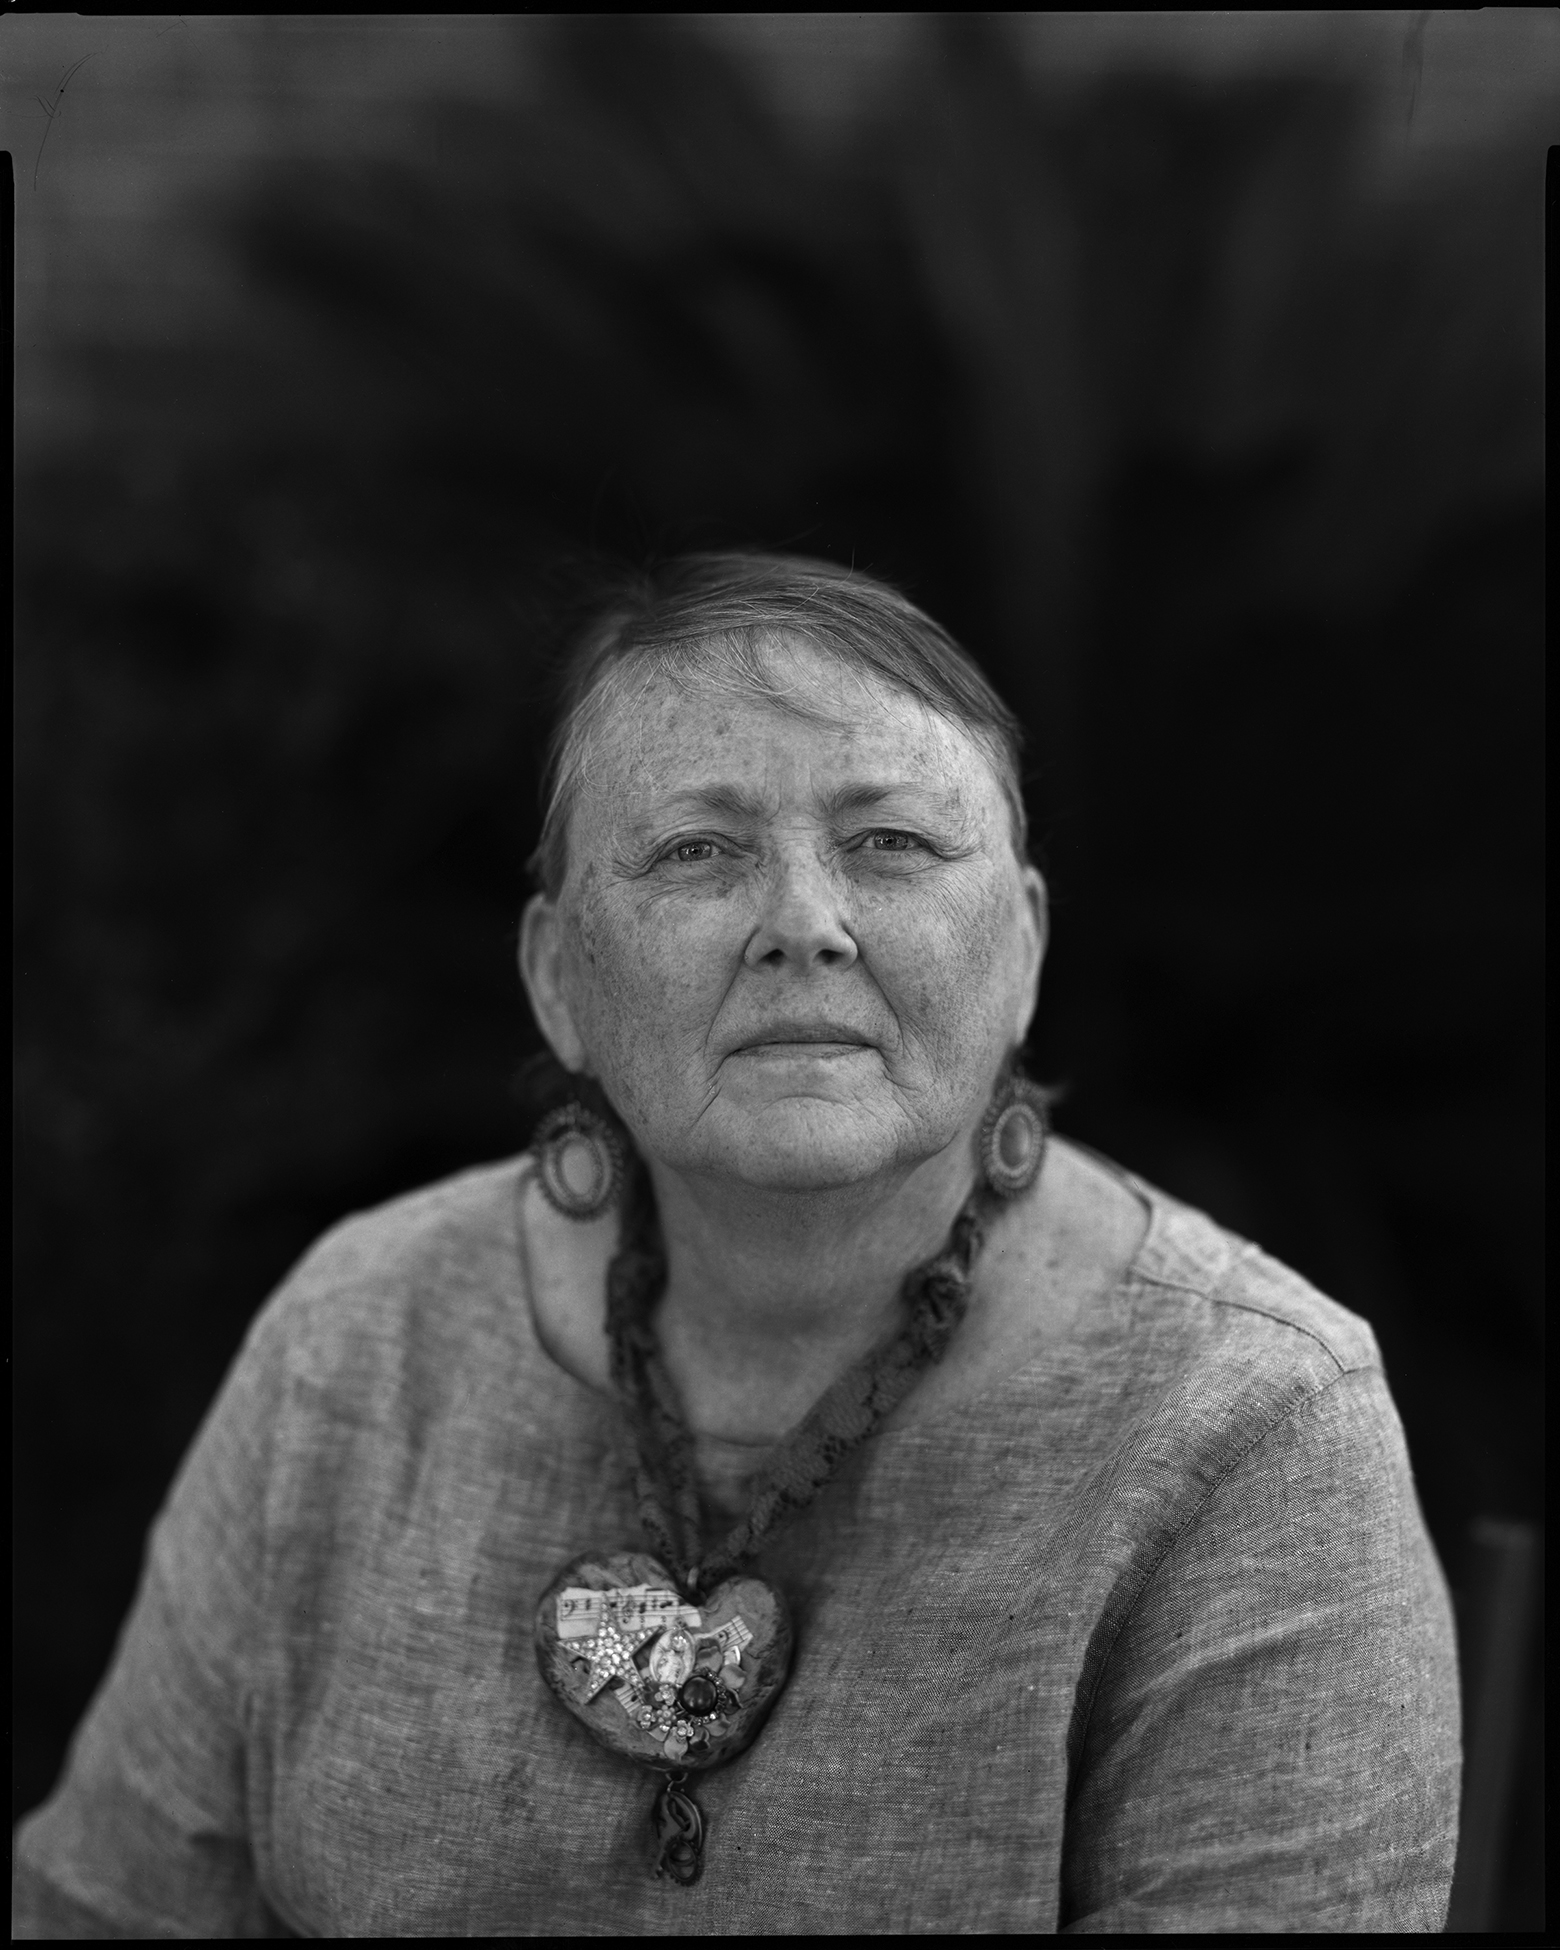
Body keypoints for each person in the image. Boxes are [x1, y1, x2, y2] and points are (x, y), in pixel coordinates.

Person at [12, 551, 1460, 1935]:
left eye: (890, 840)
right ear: (558, 978)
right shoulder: (357, 1334)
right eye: (699, 850)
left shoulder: (1254, 1432)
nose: (806, 923)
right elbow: (102, 1907)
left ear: (1021, 951)